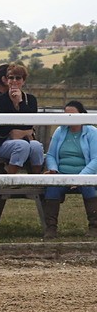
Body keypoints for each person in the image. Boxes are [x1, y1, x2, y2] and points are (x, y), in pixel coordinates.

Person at [42, 100, 97, 239]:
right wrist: (54, 169)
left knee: (89, 188)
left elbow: (95, 159)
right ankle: (51, 228)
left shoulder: (92, 132)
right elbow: (51, 155)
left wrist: (80, 178)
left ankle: (94, 227)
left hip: (84, 174)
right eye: (66, 114)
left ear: (82, 115)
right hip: (62, 174)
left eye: (72, 114)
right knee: (52, 189)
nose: (69, 118)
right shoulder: (60, 131)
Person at [0, 63, 44, 174]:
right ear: (6, 80)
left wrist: (19, 103)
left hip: (26, 139)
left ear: (23, 81)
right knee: (22, 145)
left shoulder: (30, 100)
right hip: (3, 142)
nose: (14, 81)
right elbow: (1, 129)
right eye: (11, 77)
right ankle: (10, 181)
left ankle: (35, 181)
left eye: (18, 78)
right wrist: (20, 132)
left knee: (36, 147)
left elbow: (30, 123)